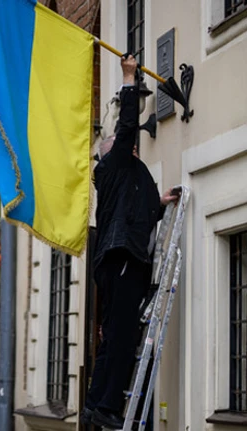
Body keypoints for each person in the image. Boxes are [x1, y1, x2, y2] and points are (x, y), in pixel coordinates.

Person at [82, 54, 180, 429]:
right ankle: (108, 408)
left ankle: (95, 402)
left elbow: (135, 211)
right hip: (123, 258)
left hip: (114, 258)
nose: (134, 149)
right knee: (122, 337)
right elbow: (125, 129)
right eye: (126, 147)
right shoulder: (115, 164)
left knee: (112, 337)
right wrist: (128, 78)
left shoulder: (123, 179)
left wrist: (159, 203)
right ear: (112, 155)